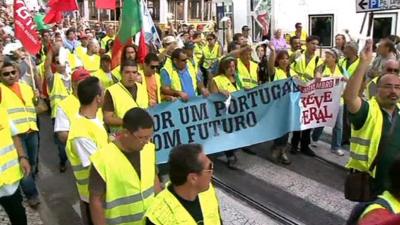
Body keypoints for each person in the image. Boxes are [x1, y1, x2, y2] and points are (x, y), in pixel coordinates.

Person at [344, 39, 400, 196]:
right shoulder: (368, 110)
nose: (393, 91)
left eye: (397, 87)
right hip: (372, 185)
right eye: (388, 87)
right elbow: (350, 98)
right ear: (377, 88)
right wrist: (363, 63)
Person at [89, 108, 161, 225]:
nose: (147, 141)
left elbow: (154, 180)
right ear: (126, 133)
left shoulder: (149, 149)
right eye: (142, 137)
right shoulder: (102, 160)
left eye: (149, 136)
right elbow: (95, 201)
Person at [144, 144, 221, 225]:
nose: (212, 172)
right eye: (209, 168)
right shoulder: (157, 216)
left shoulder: (208, 193)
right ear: (193, 178)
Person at [66, 76, 108, 225]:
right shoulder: (81, 132)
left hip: (103, 194)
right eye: (103, 91)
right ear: (97, 98)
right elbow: (97, 166)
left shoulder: (93, 119)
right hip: (94, 197)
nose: (105, 94)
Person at [0, 62, 40, 207]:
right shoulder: (1, 90)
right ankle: (32, 195)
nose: (10, 75)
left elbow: (33, 106)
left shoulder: (26, 87)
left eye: (13, 72)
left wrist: (36, 98)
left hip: (32, 131)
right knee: (24, 165)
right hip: (16, 136)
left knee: (33, 162)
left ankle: (31, 186)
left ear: (17, 72)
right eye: (6, 73)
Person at [291, 35, 323, 157]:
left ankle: (305, 145)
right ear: (307, 44)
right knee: (297, 117)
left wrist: (318, 75)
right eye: (313, 43)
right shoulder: (297, 54)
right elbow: (288, 66)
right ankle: (294, 144)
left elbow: (319, 71)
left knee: (307, 118)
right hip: (296, 89)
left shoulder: (318, 60)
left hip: (309, 92)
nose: (315, 46)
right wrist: (294, 77)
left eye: (317, 44)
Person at [54, 68, 91, 172]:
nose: (86, 87)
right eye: (82, 83)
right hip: (81, 157)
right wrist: (86, 144)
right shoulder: (64, 105)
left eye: (88, 83)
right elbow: (62, 135)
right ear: (73, 84)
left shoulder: (95, 99)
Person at [0, 102, 30, 225]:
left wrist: (22, 156)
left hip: (9, 182)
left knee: (18, 215)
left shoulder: (1, 111)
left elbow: (14, 135)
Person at [311, 48, 345, 156]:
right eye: (326, 56)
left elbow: (349, 80)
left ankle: (336, 147)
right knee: (321, 121)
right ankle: (314, 138)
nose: (326, 58)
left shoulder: (341, 68)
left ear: (334, 58)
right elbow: (317, 78)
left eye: (328, 56)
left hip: (338, 101)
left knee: (338, 125)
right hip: (325, 100)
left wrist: (341, 79)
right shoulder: (322, 67)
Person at [209, 57, 240, 168]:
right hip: (224, 112)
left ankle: (232, 151)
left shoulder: (237, 77)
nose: (232, 69)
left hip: (237, 111)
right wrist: (220, 92)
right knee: (227, 134)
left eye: (233, 66)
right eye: (229, 67)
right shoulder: (216, 80)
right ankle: (230, 156)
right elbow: (212, 96)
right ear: (223, 68)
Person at [267, 43, 295, 164]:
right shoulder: (276, 72)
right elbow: (270, 67)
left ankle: (282, 151)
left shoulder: (293, 73)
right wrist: (273, 52)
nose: (284, 61)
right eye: (282, 58)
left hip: (290, 106)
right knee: (279, 129)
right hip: (277, 106)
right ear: (278, 60)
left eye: (286, 58)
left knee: (287, 129)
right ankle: (276, 148)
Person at [103, 60, 149, 134]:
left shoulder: (142, 88)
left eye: (134, 72)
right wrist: (128, 122)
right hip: (122, 138)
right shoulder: (111, 91)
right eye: (127, 72)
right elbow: (107, 118)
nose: (131, 76)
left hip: (142, 135)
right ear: (121, 73)